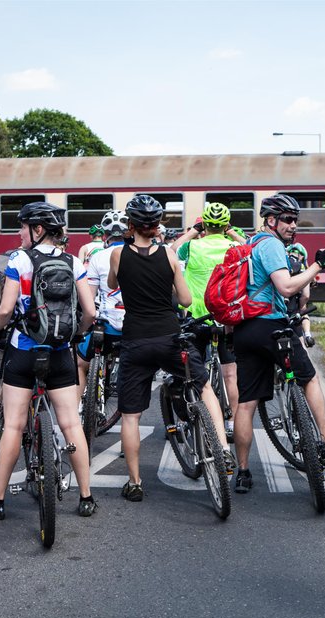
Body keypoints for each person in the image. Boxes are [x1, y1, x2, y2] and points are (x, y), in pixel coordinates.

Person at [107, 194, 235, 502]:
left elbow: (113, 282)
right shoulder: (168, 255)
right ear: (157, 226)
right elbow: (187, 300)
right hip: (170, 337)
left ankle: (135, 483)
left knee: (131, 416)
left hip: (136, 341)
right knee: (204, 386)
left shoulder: (117, 255)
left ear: (131, 224)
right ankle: (223, 448)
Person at [0, 202, 97, 520]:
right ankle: (86, 497)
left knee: (14, 425)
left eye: (22, 227)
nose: (19, 233)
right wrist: (75, 335)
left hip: (24, 353)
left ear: (38, 229)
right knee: (71, 424)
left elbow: (4, 310)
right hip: (60, 354)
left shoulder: (19, 260)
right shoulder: (73, 262)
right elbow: (90, 312)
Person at [231, 194, 325, 494]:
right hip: (271, 326)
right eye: (288, 219)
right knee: (310, 378)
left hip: (244, 329)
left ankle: (242, 473)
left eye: (295, 219)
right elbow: (286, 286)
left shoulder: (249, 244)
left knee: (246, 403)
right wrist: (318, 264)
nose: (294, 225)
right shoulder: (271, 245)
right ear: (270, 220)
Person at [171, 202, 246, 436]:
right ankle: (232, 423)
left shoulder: (192, 247)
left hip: (197, 317)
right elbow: (252, 247)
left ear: (204, 224)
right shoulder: (235, 245)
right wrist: (232, 231)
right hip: (227, 318)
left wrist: (194, 229)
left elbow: (172, 249)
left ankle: (193, 417)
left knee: (195, 372)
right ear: (225, 225)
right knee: (231, 374)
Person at [77, 210, 128, 400]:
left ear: (105, 235)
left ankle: (74, 412)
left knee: (81, 364)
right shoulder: (140, 255)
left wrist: (81, 329)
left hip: (107, 327)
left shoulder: (98, 258)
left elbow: (89, 301)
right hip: (134, 329)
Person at [284, 243, 315, 347]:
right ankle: (307, 335)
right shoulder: (302, 267)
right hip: (293, 310)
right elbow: (306, 295)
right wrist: (302, 305)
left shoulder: (282, 264)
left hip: (277, 311)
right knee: (303, 311)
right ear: (302, 256)